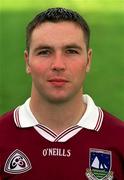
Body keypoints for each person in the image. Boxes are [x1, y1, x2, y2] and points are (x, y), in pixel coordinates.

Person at [0, 7, 124, 180]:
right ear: (27, 61)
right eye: (45, 52)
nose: (58, 64)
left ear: (88, 60)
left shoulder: (120, 139)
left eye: (71, 51)